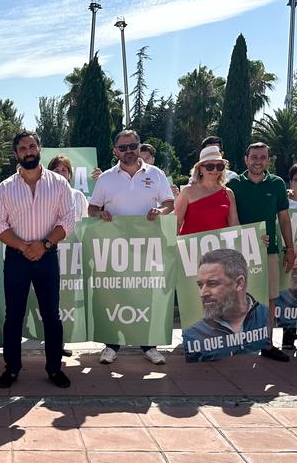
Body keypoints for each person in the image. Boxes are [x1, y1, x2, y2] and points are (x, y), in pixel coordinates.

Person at [0, 131, 75, 389]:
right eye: (22, 148)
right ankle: (12, 368)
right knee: (13, 315)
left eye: (32, 146)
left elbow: (68, 221)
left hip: (47, 257)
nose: (28, 151)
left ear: (39, 148)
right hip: (17, 259)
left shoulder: (59, 184)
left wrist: (44, 245)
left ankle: (54, 368)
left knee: (51, 315)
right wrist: (23, 246)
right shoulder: (6, 187)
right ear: (16, 154)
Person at [88, 130, 173, 366]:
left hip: (147, 246)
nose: (128, 151)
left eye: (132, 146)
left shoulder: (156, 174)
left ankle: (149, 345)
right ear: (115, 151)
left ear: (139, 146)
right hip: (114, 247)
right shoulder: (106, 178)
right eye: (123, 148)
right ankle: (111, 345)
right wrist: (100, 213)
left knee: (146, 293)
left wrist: (161, 211)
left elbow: (169, 203)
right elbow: (92, 208)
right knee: (113, 293)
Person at [227, 142, 295, 362]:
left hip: (269, 250)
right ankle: (237, 342)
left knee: (269, 298)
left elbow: (283, 218)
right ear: (246, 159)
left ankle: (267, 343)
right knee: (237, 297)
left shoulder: (276, 184)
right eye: (254, 157)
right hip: (239, 252)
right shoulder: (233, 184)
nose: (258, 161)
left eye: (263, 157)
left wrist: (290, 247)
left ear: (268, 160)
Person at [184, 249, 270, 362]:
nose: (202, 293)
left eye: (212, 283)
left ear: (239, 283)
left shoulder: (266, 316)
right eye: (200, 285)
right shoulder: (192, 335)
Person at [46, 153, 86, 359]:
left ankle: (60, 342)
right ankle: (53, 344)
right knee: (50, 303)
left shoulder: (78, 197)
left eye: (64, 170)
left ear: (70, 175)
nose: (61, 173)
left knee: (66, 302)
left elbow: (85, 227)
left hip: (73, 257)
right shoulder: (43, 196)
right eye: (56, 170)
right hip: (49, 255)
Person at [175, 146, 239, 235]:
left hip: (221, 247)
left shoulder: (228, 193)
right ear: (200, 168)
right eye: (210, 166)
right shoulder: (187, 191)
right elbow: (176, 224)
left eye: (219, 166)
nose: (215, 170)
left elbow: (234, 225)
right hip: (192, 247)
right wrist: (172, 247)